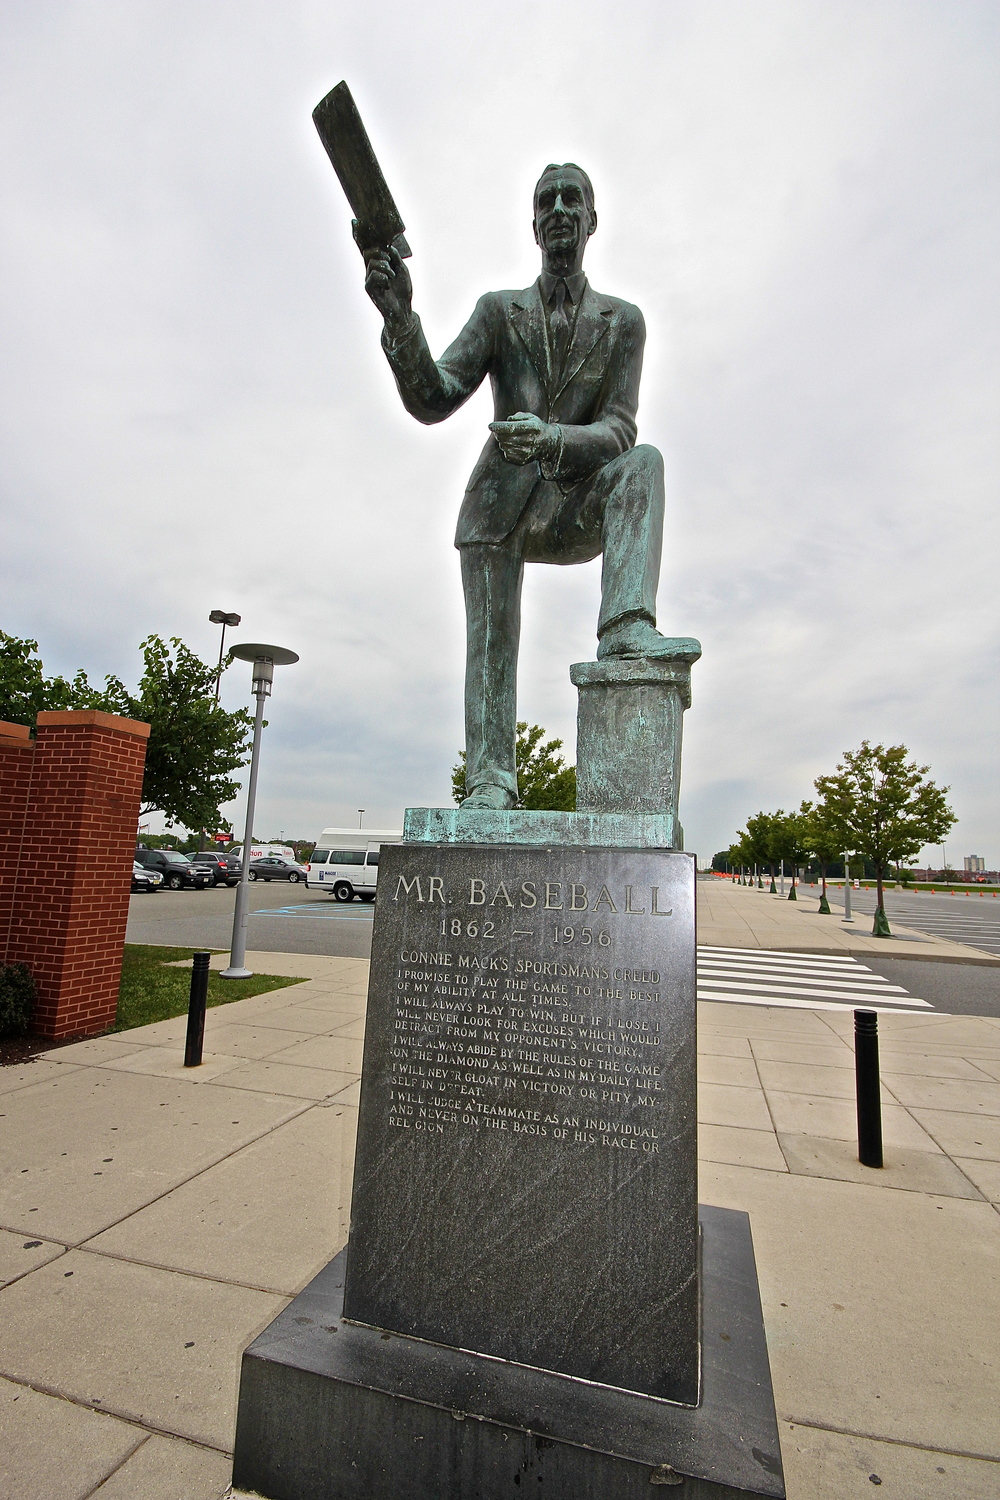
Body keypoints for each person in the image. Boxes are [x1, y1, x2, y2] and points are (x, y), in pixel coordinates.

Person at [363, 163, 700, 811]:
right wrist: (399, 315)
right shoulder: (499, 312)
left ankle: (627, 626)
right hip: (496, 510)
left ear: (593, 220)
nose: (561, 209)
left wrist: (549, 438)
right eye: (548, 200)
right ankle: (490, 779)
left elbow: (619, 431)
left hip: (571, 504)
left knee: (646, 463)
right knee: (491, 643)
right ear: (534, 223)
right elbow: (433, 398)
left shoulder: (622, 322)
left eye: (574, 199)